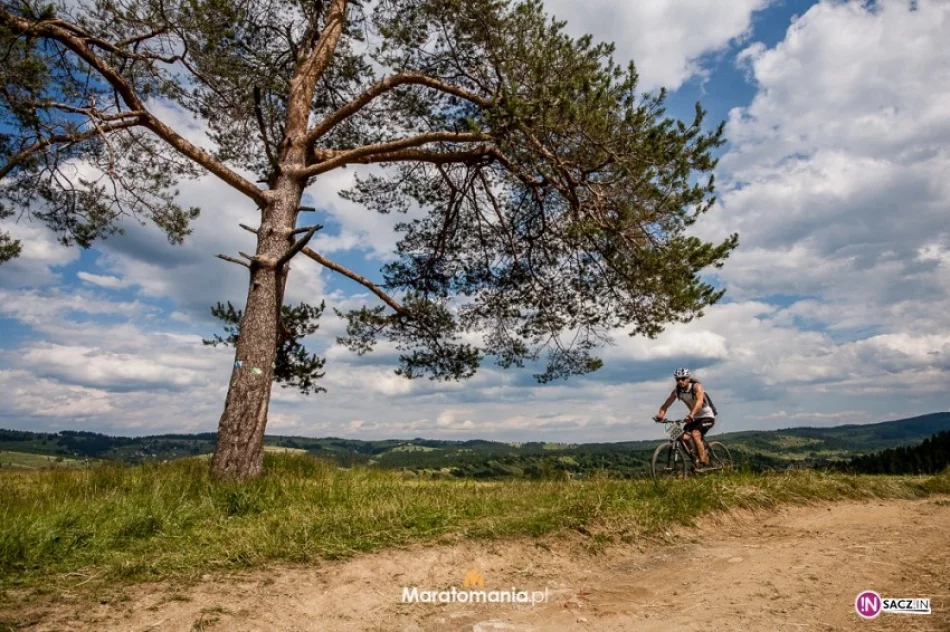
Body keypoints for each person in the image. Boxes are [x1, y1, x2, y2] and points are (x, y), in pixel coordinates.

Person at [654, 368, 717, 469]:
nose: (680, 381)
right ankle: (694, 457)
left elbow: (699, 403)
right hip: (694, 418)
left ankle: (702, 462)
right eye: (677, 379)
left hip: (707, 416)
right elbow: (665, 405)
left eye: (683, 378)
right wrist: (660, 415)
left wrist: (691, 415)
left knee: (695, 434)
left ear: (688, 378)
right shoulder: (677, 391)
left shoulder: (696, 387)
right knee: (682, 437)